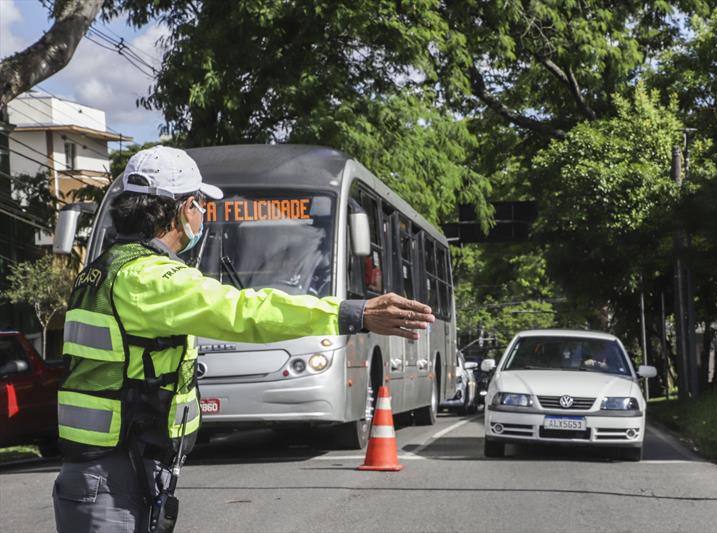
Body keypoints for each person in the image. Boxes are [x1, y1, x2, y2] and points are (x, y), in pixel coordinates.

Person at [52, 145, 434, 533]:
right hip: (114, 475)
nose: (202, 214)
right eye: (200, 204)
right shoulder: (148, 279)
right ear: (182, 208)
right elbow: (245, 311)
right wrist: (355, 313)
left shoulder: (106, 269)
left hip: (105, 467)